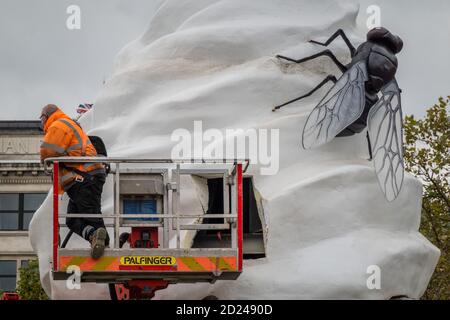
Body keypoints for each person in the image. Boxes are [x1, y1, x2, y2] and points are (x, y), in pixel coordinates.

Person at [39, 104, 109, 259]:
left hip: (84, 177)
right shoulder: (66, 123)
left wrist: (44, 159)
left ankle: (106, 248)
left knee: (90, 214)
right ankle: (94, 236)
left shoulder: (58, 124)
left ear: (46, 116)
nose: (42, 124)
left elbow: (48, 150)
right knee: (72, 219)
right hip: (84, 178)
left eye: (41, 119)